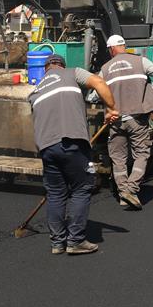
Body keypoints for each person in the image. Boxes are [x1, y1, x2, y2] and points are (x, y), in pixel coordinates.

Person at [29, 53, 119, 255]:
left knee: (55, 193)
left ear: (45, 69)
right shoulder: (72, 73)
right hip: (72, 142)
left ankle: (57, 243)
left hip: (47, 147)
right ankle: (76, 241)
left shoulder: (35, 90)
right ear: (61, 65)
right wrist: (111, 109)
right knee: (82, 188)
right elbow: (98, 82)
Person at [100, 34, 153, 210]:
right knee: (141, 154)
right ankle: (131, 189)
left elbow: (94, 92)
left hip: (116, 120)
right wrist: (150, 91)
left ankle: (123, 195)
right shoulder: (140, 61)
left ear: (111, 49)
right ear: (123, 45)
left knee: (118, 158)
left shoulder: (105, 68)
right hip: (137, 118)